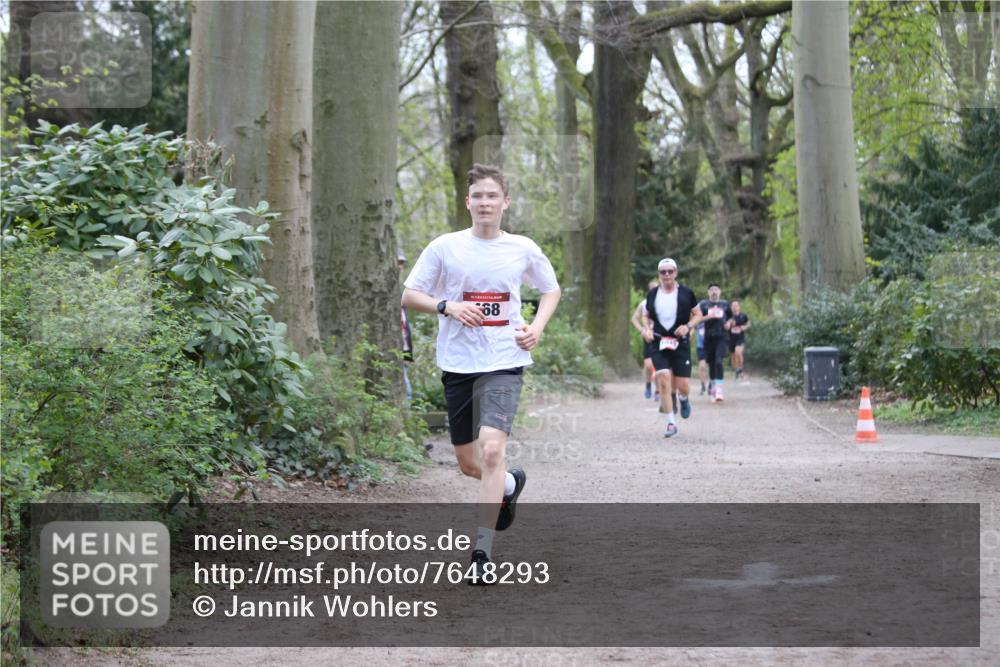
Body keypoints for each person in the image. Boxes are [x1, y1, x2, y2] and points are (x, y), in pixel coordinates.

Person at [401, 163, 561, 584]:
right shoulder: (445, 247)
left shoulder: (522, 248)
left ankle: (482, 554)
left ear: (505, 202)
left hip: (505, 361)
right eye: (479, 196)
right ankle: (508, 485)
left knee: (492, 450)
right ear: (467, 201)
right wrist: (447, 306)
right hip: (458, 363)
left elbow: (551, 288)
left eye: (493, 196)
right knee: (470, 463)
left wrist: (536, 329)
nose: (485, 202)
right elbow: (408, 295)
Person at [641, 258, 702, 438]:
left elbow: (698, 314)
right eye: (663, 272)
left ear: (676, 273)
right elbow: (646, 315)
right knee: (663, 378)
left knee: (683, 385)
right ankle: (670, 423)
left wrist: (688, 326)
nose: (667, 275)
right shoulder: (652, 295)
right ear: (659, 275)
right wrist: (646, 329)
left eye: (670, 271)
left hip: (680, 342)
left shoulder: (686, 293)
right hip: (659, 342)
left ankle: (683, 399)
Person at [697, 283, 733, 403]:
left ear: (720, 291)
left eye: (716, 289)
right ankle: (712, 386)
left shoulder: (725, 304)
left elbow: (731, 318)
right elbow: (696, 318)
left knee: (718, 361)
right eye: (711, 290)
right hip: (708, 337)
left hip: (722, 336)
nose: (714, 292)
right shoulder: (703, 304)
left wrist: (729, 324)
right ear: (708, 292)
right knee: (712, 364)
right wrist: (709, 316)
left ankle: (719, 390)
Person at [631, 279, 659, 399]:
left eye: (656, 288)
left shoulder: (665, 302)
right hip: (648, 336)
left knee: (659, 365)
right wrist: (642, 330)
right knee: (649, 366)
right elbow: (634, 319)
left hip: (660, 336)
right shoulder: (644, 303)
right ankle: (648, 384)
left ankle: (658, 390)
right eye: (652, 289)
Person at [398, 249, 414, 401]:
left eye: (402, 263)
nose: (399, 266)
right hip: (390, 353)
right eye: (397, 262)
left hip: (400, 353)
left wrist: (407, 355)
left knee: (407, 392)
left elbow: (404, 329)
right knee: (407, 392)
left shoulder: (399, 291)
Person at [727, 300, 751, 379]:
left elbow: (748, 323)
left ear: (739, 307)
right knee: (733, 357)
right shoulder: (728, 316)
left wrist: (744, 327)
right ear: (731, 307)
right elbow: (725, 325)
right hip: (731, 338)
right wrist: (729, 324)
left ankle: (741, 369)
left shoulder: (743, 316)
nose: (734, 307)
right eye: (733, 306)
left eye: (736, 305)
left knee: (738, 352)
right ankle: (737, 370)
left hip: (740, 338)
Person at [695, 322, 709, 395]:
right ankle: (703, 385)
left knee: (712, 366)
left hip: (711, 345)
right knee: (702, 367)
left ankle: (711, 383)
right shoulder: (698, 320)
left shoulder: (711, 317)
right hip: (701, 347)